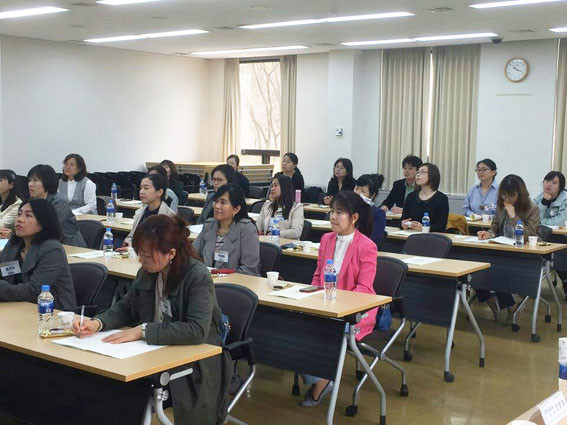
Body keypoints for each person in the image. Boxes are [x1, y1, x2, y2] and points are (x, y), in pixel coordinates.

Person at [74, 215, 232, 424]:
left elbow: (196, 330)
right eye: (140, 253)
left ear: (171, 254)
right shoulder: (148, 272)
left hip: (195, 360)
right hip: (153, 350)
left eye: (147, 255)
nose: (141, 260)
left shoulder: (197, 276)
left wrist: (142, 331)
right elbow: (126, 307)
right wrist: (98, 323)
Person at [301, 191, 377, 407]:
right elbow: (318, 276)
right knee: (297, 325)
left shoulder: (367, 246)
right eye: (332, 211)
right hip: (326, 304)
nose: (333, 217)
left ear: (354, 218)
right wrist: (313, 298)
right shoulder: (326, 239)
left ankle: (322, 380)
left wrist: (337, 307)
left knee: (324, 331)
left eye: (339, 212)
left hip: (356, 310)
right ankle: (320, 377)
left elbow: (364, 289)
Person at [477, 174, 540, 318]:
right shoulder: (501, 205)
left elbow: (528, 236)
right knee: (477, 269)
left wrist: (513, 216)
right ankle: (495, 304)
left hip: (522, 255)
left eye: (511, 196)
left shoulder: (532, 209)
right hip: (501, 249)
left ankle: (508, 306)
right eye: (504, 196)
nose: (507, 199)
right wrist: (488, 234)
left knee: (496, 271)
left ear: (520, 195)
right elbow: (495, 226)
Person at [0, 199, 76, 310]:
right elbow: (4, 273)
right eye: (19, 214)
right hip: (19, 306)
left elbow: (35, 291)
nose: (20, 220)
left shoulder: (52, 249)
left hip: (52, 312)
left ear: (43, 222)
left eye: (28, 216)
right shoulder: (15, 244)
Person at [193, 184, 260, 276]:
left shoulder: (246, 229)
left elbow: (249, 270)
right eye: (216, 201)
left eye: (223, 202)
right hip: (207, 280)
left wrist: (219, 277)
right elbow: (191, 255)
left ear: (236, 209)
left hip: (235, 282)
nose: (217, 206)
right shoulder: (209, 225)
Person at [28, 164, 87, 248]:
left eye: (35, 180)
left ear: (47, 182)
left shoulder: (59, 203)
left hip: (71, 246)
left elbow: (50, 229)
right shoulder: (31, 202)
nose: (30, 184)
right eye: (29, 180)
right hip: (47, 245)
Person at [121, 173, 175, 248]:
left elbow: (165, 245)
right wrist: (128, 244)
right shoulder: (140, 213)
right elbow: (131, 236)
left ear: (160, 192)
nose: (141, 192)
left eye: (146, 188)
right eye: (141, 188)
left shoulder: (169, 216)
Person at [400, 163, 449, 233]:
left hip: (432, 237)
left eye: (422, 172)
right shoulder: (411, 196)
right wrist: (403, 224)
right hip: (410, 235)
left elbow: (442, 225)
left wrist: (424, 228)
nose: (418, 175)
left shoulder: (441, 198)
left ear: (432, 175)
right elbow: (402, 220)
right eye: (417, 172)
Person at [256, 175, 304, 240]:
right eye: (272, 186)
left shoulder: (296, 207)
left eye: (275, 185)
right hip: (267, 242)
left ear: (285, 187)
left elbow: (296, 232)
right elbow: (258, 227)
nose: (272, 189)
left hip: (287, 244)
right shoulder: (267, 205)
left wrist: (276, 233)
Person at [354, 174, 386, 248]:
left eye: (363, 191)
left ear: (372, 195)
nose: (358, 193)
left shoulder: (378, 214)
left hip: (363, 249)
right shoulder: (347, 209)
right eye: (356, 189)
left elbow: (374, 241)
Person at [0, 169, 22, 238]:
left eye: (0, 180)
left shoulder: (18, 205)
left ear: (11, 185)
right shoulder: (2, 203)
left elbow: (2, 225)